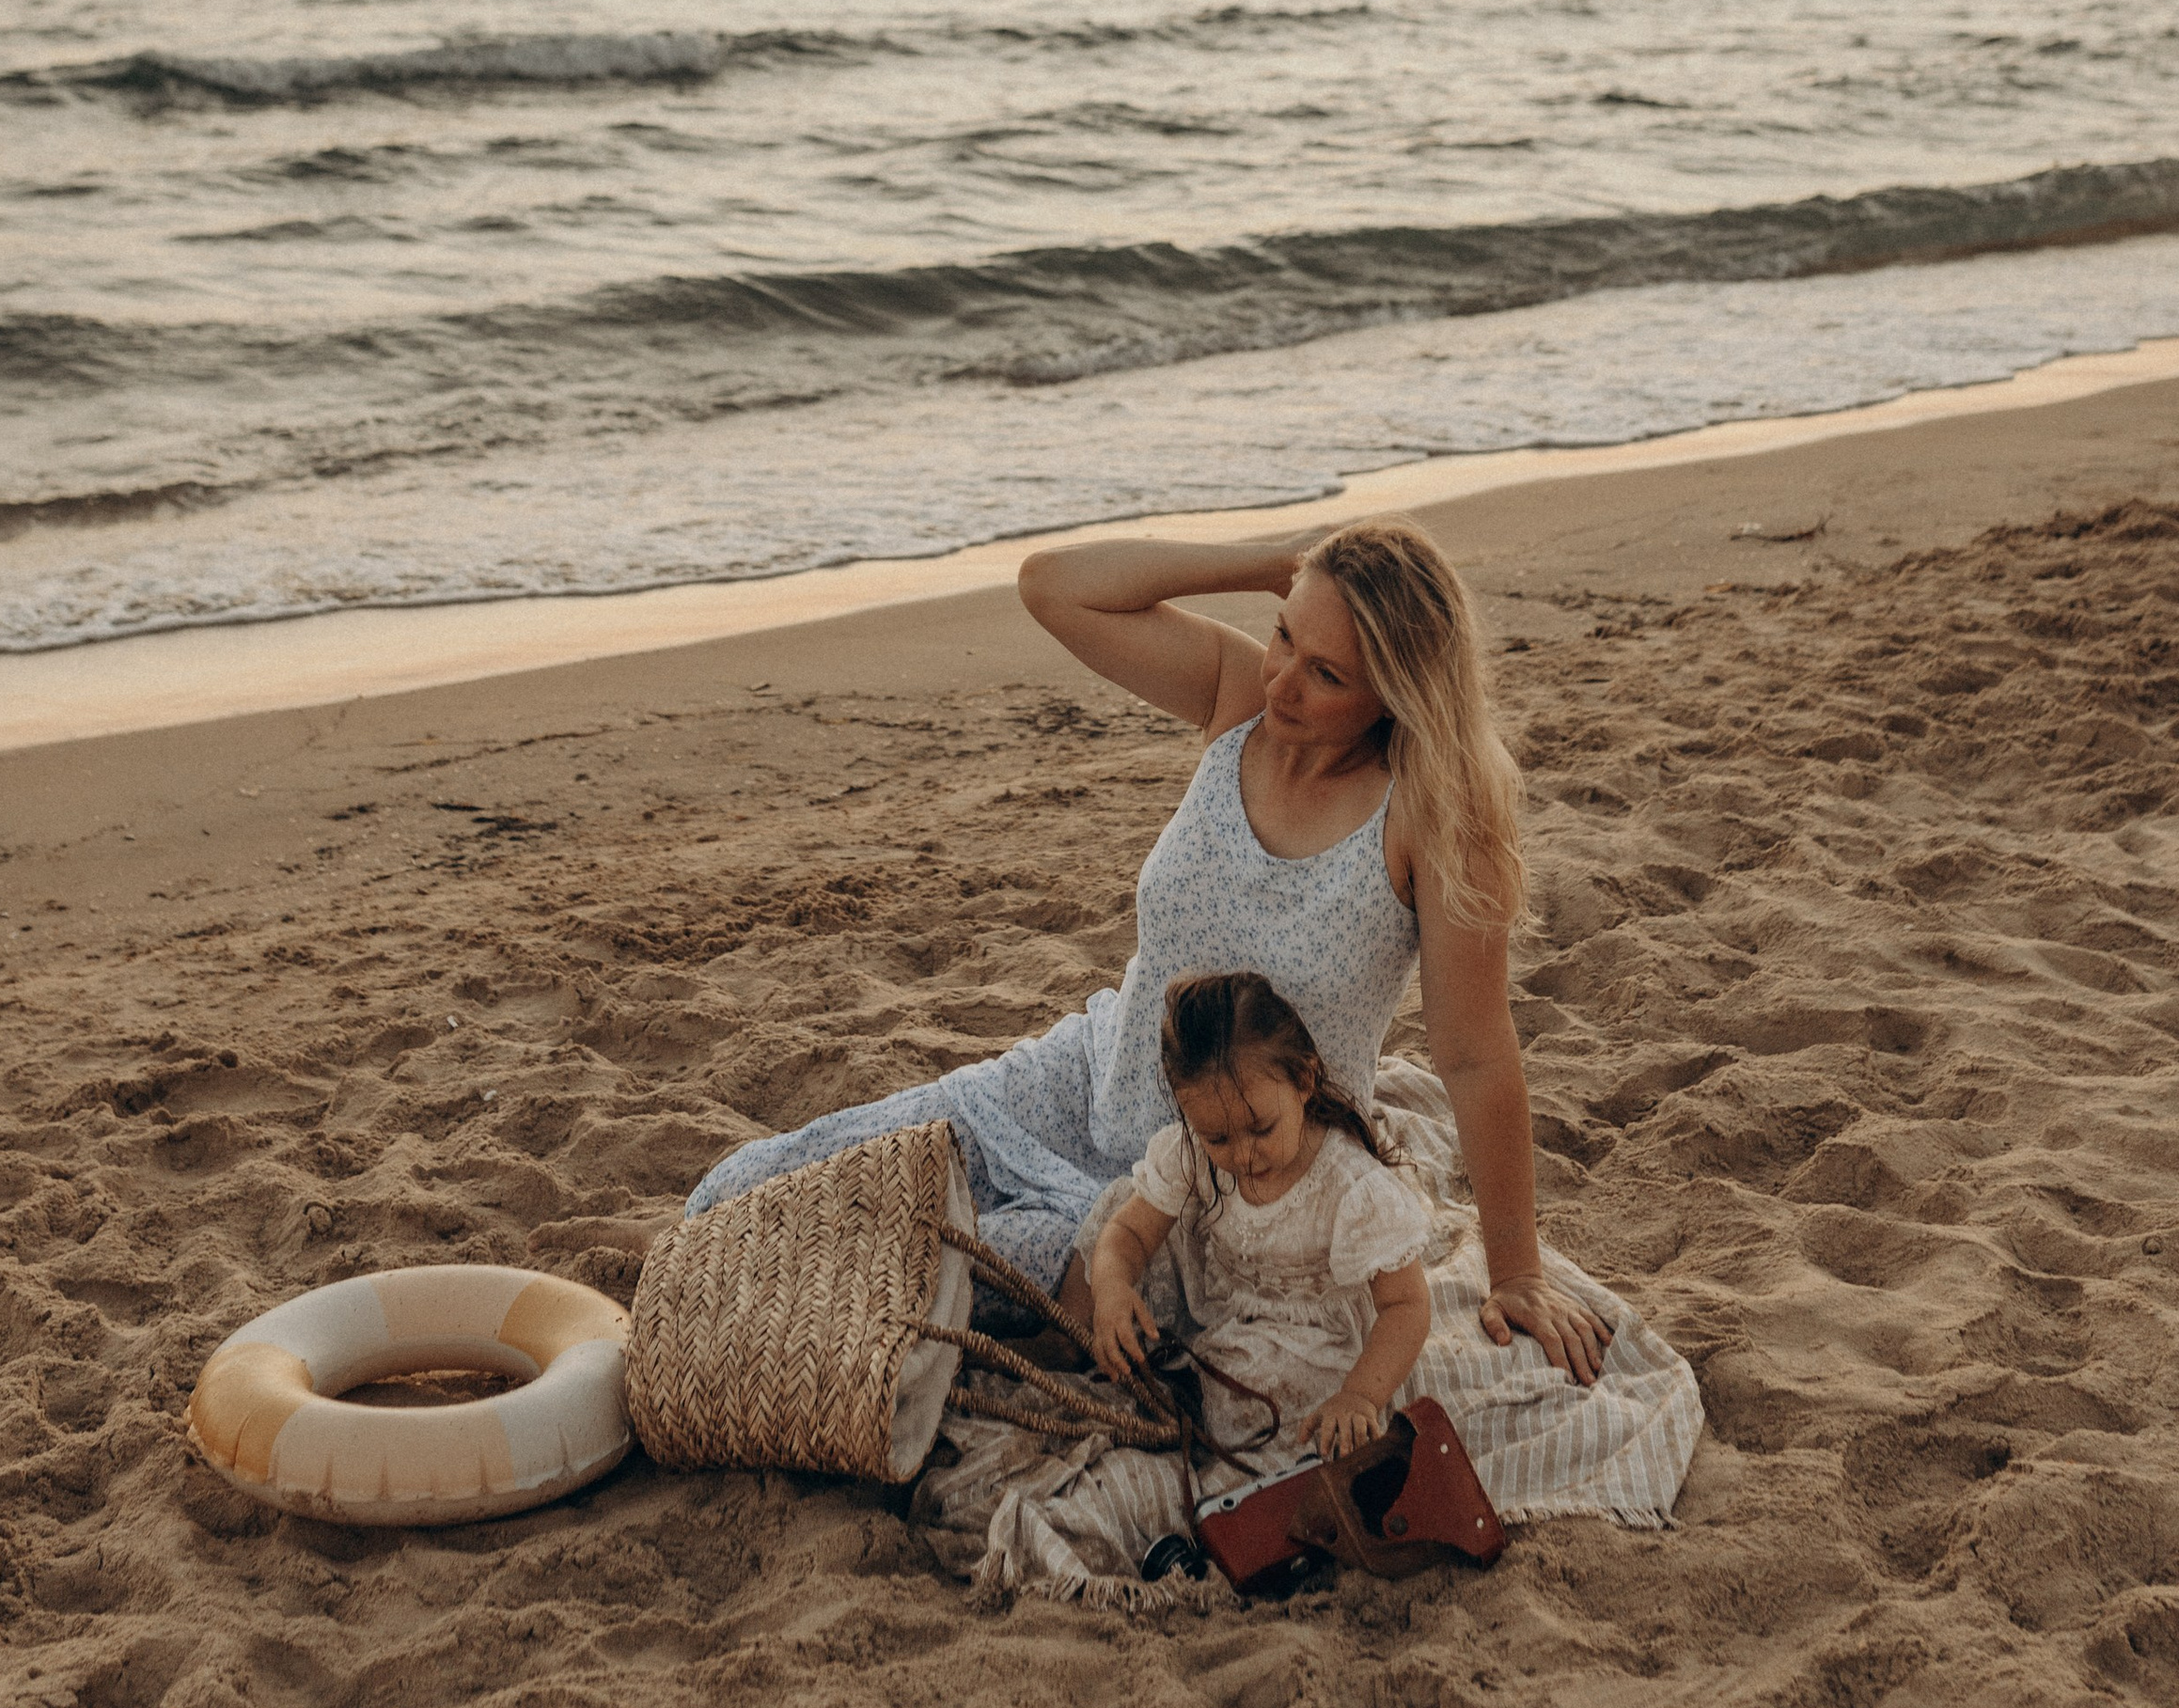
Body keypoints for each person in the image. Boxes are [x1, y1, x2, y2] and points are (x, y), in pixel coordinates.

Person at [683, 518, 1610, 1387]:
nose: (1283, 683)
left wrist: (1517, 1273)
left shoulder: (1435, 821)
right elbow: (1053, 587)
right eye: (1284, 637)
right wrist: (1271, 561)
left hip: (1212, 1189)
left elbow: (1474, 1055)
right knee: (742, 1197)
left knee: (885, 1273)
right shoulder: (1239, 701)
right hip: (1080, 1082)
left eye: (1326, 673)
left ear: (1397, 694)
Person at [1088, 970, 1434, 1461]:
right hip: (1218, 1292)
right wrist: (1110, 1287)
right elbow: (1130, 1232)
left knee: (1269, 1394)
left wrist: (1360, 1395)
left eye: (1261, 1129)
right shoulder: (1192, 1154)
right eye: (1218, 1138)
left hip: (1307, 1336)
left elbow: (1407, 1305)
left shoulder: (1351, 1188)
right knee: (1115, 1209)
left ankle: (1188, 1397)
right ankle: (1081, 1339)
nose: (1244, 1156)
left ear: (1304, 1081)